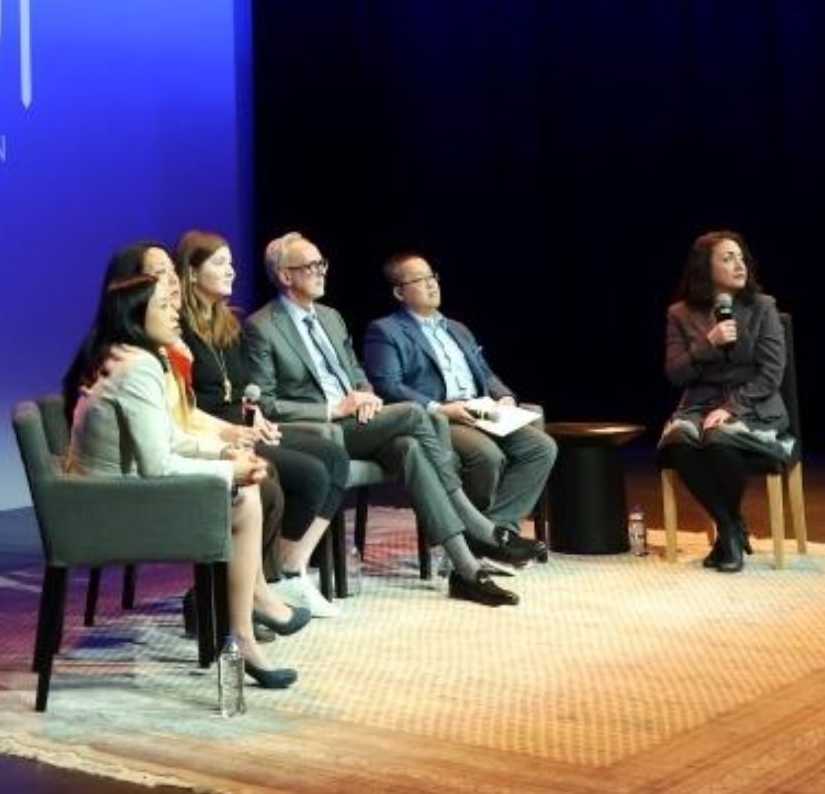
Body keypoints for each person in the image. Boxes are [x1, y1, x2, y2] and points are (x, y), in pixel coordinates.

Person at [242, 232, 538, 607]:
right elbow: (264, 403)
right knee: (417, 414)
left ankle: (466, 571)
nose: (321, 272)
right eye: (311, 266)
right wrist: (335, 409)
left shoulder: (331, 318)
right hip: (320, 430)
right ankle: (478, 526)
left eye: (322, 264)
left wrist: (363, 395)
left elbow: (356, 373)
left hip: (361, 420)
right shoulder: (262, 326)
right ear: (285, 276)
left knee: (410, 448)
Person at [65, 272, 299, 687]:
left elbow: (168, 436)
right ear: (137, 316)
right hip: (113, 510)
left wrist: (223, 452)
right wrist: (231, 471)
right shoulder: (137, 367)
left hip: (105, 499)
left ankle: (245, 620)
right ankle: (242, 634)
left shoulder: (123, 356)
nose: (176, 313)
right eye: (164, 306)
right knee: (244, 497)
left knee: (244, 486)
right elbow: (157, 465)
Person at [178, 230, 351, 619]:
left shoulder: (227, 324)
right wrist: (235, 429)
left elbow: (244, 392)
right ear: (191, 273)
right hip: (214, 433)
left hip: (246, 426)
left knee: (332, 455)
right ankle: (248, 588)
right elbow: (186, 406)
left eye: (232, 263)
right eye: (219, 263)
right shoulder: (179, 330)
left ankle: (281, 573)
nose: (232, 271)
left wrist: (260, 419)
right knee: (304, 474)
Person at [363, 254, 555, 544]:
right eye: (419, 280)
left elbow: (485, 374)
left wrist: (503, 396)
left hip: (481, 411)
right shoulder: (385, 330)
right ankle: (481, 536)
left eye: (432, 277)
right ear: (399, 292)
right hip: (438, 417)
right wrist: (442, 409)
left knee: (541, 447)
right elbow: (387, 385)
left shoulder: (457, 328)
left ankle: (495, 532)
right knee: (487, 456)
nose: (431, 285)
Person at [660, 229, 791, 573]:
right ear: (706, 267)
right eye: (727, 258)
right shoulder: (680, 314)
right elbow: (675, 374)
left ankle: (727, 536)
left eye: (741, 257)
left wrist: (729, 408)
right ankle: (731, 526)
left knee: (718, 439)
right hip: (698, 405)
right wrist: (708, 342)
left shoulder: (763, 308)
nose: (739, 264)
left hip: (753, 404)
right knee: (679, 441)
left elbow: (771, 375)